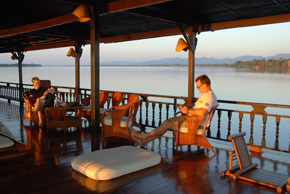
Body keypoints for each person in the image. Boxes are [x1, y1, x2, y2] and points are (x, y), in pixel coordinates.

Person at [131, 74, 218, 147]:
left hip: (195, 124)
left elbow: (202, 111)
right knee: (167, 122)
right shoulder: (205, 94)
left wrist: (187, 112)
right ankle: (145, 141)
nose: (197, 89)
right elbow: (198, 107)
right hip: (192, 121)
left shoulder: (209, 96)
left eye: (199, 87)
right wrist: (188, 107)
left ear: (206, 85)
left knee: (166, 123)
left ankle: (144, 137)